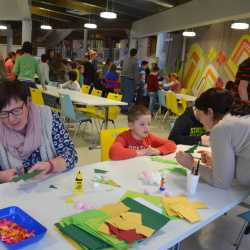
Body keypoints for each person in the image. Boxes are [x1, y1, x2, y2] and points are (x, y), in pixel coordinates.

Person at [0, 80, 77, 183]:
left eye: (16, 111)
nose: (11, 119)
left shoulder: (48, 118)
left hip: (50, 188)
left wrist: (50, 166)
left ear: (28, 102)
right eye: (4, 113)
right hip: (14, 195)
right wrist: (1, 176)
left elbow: (71, 155)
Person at [176, 88, 250, 189]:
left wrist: (192, 164)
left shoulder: (221, 127)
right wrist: (218, 162)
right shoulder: (238, 119)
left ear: (210, 112)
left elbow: (221, 182)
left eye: (200, 115)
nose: (201, 121)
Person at [109, 105, 176, 160]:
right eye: (142, 124)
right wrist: (142, 152)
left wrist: (158, 151)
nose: (147, 128)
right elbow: (114, 152)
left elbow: (171, 144)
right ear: (131, 125)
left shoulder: (149, 137)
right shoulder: (123, 137)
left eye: (149, 124)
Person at [120, 48, 140, 113]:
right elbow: (136, 73)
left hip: (122, 78)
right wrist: (137, 83)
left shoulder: (125, 59)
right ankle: (125, 109)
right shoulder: (135, 61)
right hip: (129, 80)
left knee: (124, 94)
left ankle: (123, 108)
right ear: (136, 54)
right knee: (128, 95)